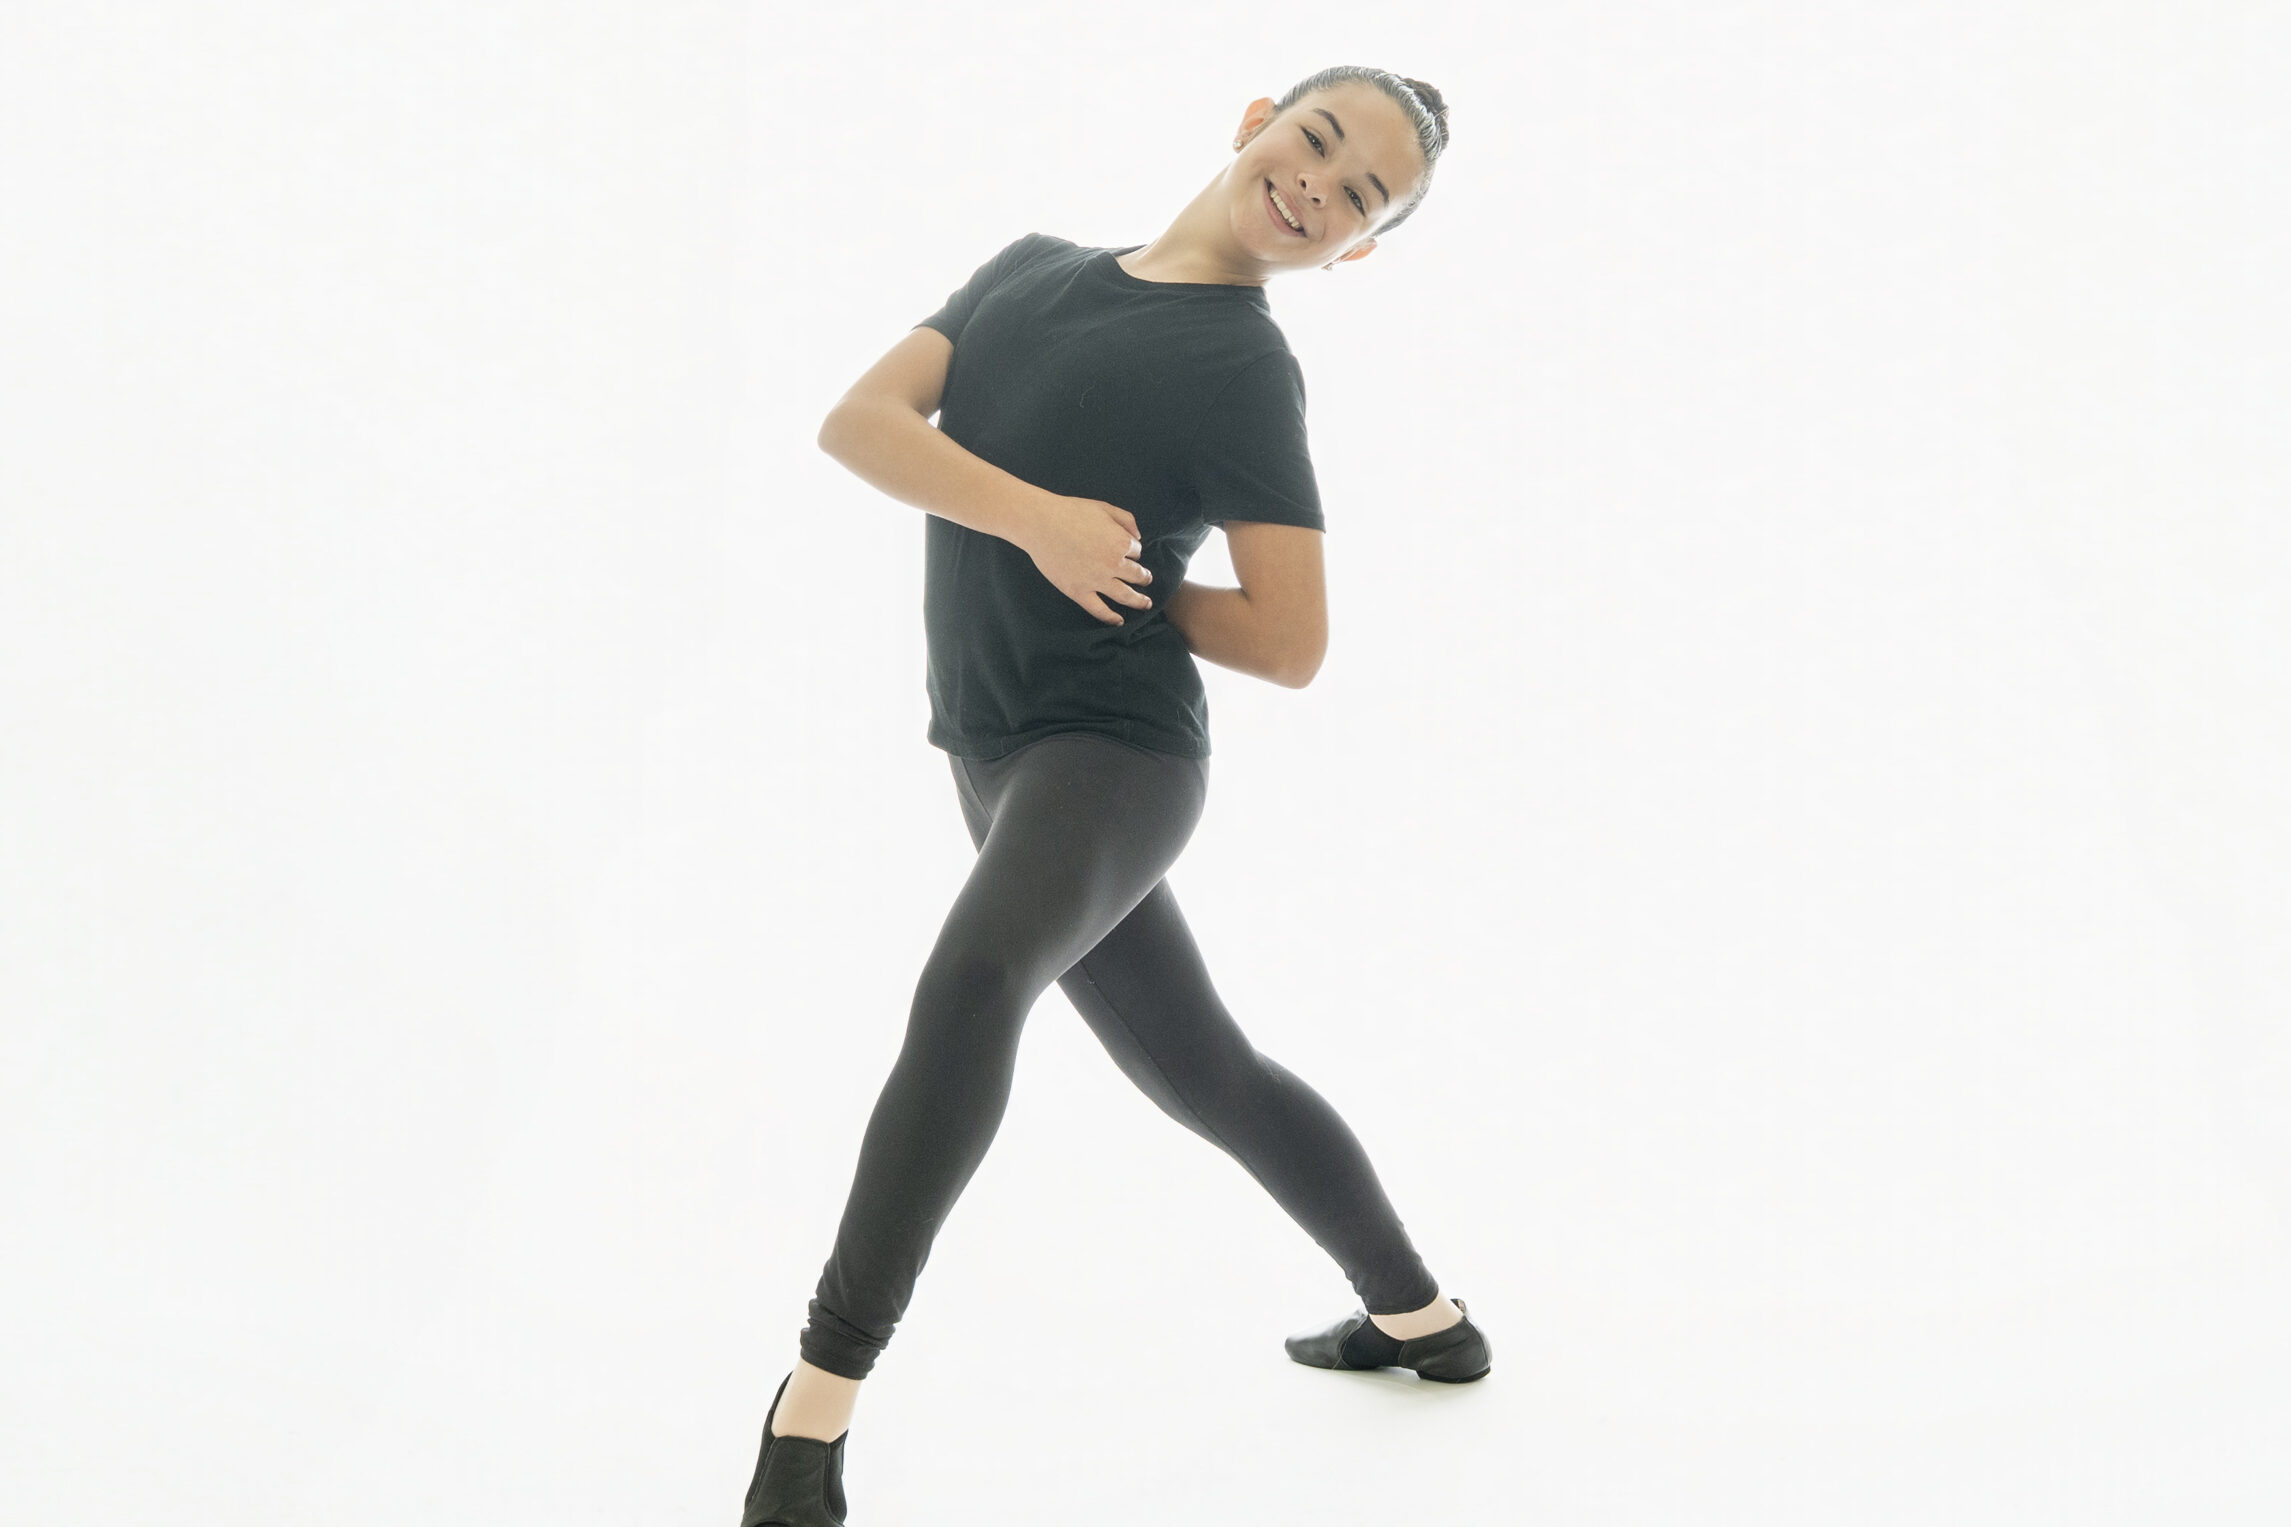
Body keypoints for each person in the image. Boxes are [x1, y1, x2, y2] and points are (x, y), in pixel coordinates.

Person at [738, 65, 1489, 1527]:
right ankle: (1424, 1320)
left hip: (1116, 755)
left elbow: (1291, 640)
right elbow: (860, 424)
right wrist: (1041, 525)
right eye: (1315, 142)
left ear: (1357, 249)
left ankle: (812, 1411)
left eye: (1358, 197)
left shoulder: (1243, 368)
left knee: (974, 982)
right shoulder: (1029, 270)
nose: (1317, 186)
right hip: (990, 747)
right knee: (1206, 1071)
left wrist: (1125, 576)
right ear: (1257, 120)